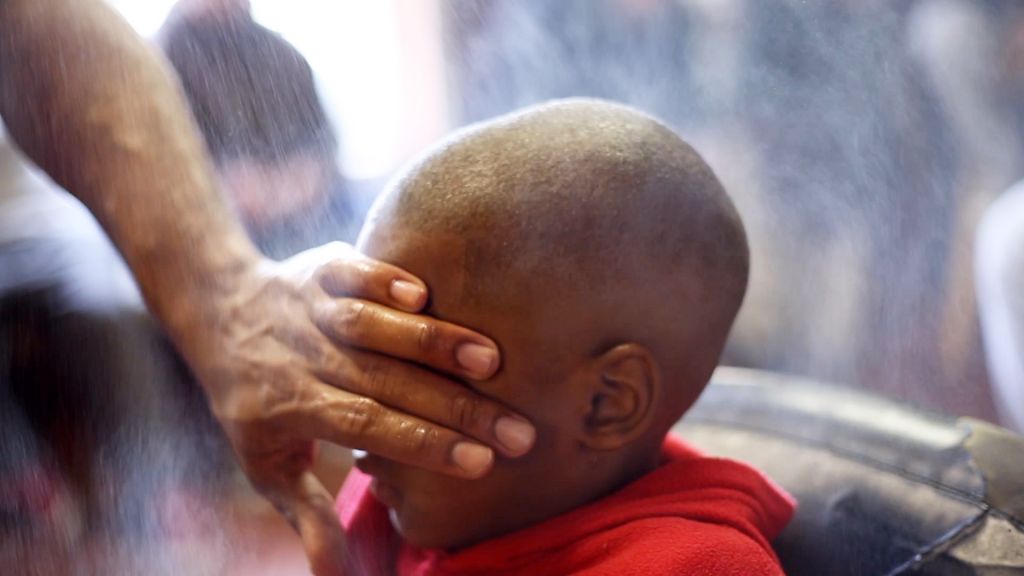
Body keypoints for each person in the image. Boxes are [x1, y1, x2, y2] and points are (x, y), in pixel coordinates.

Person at [0, 1, 536, 573]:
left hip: (279, 229)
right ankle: (151, 495)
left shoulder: (281, 56)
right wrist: (226, 271)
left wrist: (265, 220)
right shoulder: (171, 51)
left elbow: (319, 157)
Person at [336, 100, 795, 575]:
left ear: (607, 402)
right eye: (374, 363)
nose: (365, 444)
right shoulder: (409, 502)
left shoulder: (692, 565)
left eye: (422, 384)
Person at [158, 0, 358, 258]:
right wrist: (226, 189)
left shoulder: (285, 57)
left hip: (301, 236)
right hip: (206, 248)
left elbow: (323, 152)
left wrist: (287, 186)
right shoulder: (157, 62)